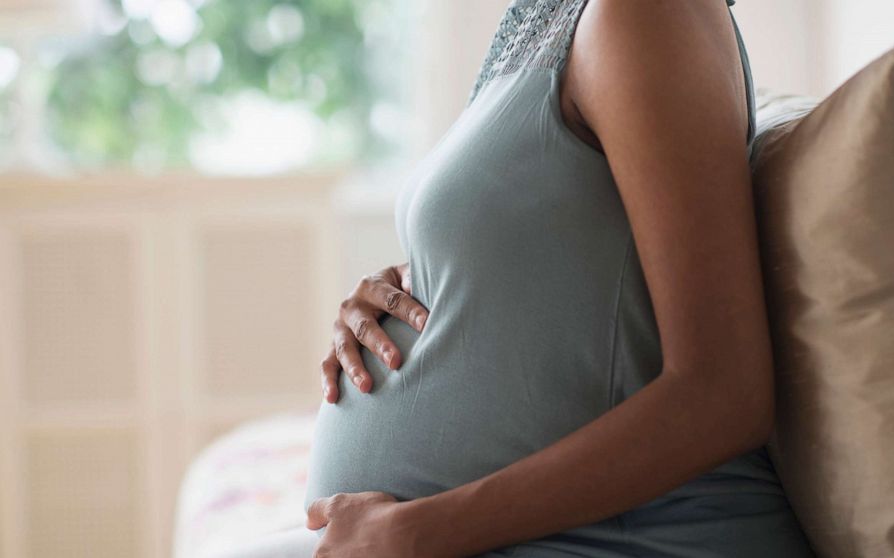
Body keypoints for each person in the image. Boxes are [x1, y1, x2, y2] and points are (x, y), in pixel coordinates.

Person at [293, 0, 818, 556]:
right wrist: (403, 284)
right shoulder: (543, 21)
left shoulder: (648, 13)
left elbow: (724, 394)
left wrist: (416, 531)